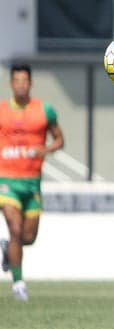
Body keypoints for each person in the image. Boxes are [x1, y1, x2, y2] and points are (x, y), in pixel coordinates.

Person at [0, 63, 65, 301]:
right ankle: (19, 286)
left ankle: (8, 249)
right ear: (11, 84)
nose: (20, 85)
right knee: (15, 229)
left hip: (32, 183)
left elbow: (60, 140)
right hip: (6, 181)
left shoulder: (44, 111)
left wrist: (46, 148)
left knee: (27, 238)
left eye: (24, 81)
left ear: (31, 83)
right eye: (16, 81)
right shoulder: (2, 111)